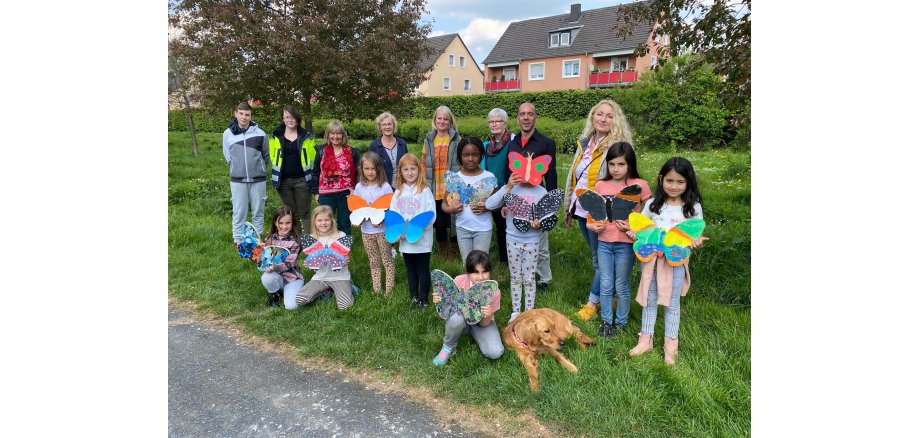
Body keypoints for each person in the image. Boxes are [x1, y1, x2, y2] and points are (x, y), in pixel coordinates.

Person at [626, 157, 708, 365]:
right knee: (649, 297)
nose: (674, 186)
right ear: (661, 179)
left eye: (680, 182)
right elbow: (641, 227)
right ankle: (646, 339)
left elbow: (694, 232)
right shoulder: (653, 205)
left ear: (688, 182)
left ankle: (671, 345)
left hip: (675, 261)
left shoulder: (692, 207)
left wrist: (695, 241)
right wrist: (634, 234)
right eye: (669, 181)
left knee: (672, 303)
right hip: (652, 259)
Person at [563, 99, 634, 321]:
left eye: (609, 116)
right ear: (592, 117)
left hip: (602, 212)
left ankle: (593, 303)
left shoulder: (617, 146)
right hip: (582, 209)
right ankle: (609, 295)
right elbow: (574, 176)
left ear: (616, 121)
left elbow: (624, 180)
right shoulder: (585, 142)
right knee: (598, 258)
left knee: (599, 259)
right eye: (599, 114)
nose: (603, 119)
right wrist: (568, 208)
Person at [585, 142, 651, 337]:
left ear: (630, 164)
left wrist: (635, 227)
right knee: (605, 284)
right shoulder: (600, 184)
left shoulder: (640, 185)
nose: (616, 169)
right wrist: (591, 225)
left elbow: (651, 214)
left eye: (621, 164)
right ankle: (606, 322)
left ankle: (621, 323)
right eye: (612, 164)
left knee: (621, 284)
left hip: (626, 244)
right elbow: (593, 213)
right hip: (604, 242)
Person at [506, 102, 556, 290]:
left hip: (538, 199)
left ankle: (544, 279)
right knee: (519, 238)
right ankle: (523, 276)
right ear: (517, 118)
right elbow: (507, 174)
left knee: (540, 242)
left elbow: (551, 175)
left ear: (536, 117)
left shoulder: (546, 143)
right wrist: (506, 200)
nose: (526, 118)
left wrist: (550, 206)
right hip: (517, 197)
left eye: (530, 114)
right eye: (522, 114)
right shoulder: (512, 144)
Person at [485, 171, 545, 322]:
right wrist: (508, 186)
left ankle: (529, 312)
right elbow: (489, 204)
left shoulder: (541, 191)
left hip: (532, 240)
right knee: (516, 277)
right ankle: (516, 311)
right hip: (512, 239)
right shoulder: (512, 189)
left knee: (529, 278)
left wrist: (539, 225)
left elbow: (547, 219)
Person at [431, 250, 504, 366]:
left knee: (495, 352)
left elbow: (484, 324)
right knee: (456, 319)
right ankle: (448, 348)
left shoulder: (493, 291)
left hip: (481, 323)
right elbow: (449, 310)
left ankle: (473, 333)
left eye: (484, 272)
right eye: (476, 272)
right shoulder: (459, 281)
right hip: (461, 318)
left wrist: (488, 315)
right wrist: (440, 301)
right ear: (467, 273)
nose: (481, 277)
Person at [389, 154, 437, 309]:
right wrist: (399, 232)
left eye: (413, 169)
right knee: (410, 269)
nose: (410, 173)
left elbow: (431, 214)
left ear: (419, 170)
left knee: (422, 269)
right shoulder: (398, 192)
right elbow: (394, 213)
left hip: (421, 239)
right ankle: (413, 296)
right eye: (406, 169)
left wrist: (419, 229)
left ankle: (423, 299)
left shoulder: (424, 191)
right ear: (401, 172)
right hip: (404, 239)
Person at [440, 137, 496, 263]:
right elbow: (444, 203)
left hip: (483, 229)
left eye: (475, 155)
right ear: (460, 156)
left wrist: (487, 207)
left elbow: (498, 203)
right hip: (462, 228)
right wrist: (450, 209)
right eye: (466, 155)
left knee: (480, 263)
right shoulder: (455, 178)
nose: (470, 159)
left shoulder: (489, 177)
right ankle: (467, 283)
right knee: (467, 262)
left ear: (481, 155)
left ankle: (481, 283)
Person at [222, 102, 269, 244]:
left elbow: (265, 156)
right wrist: (237, 168)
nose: (244, 117)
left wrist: (260, 169)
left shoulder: (260, 134)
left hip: (258, 180)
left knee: (258, 211)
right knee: (239, 211)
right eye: (241, 114)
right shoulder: (227, 134)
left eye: (247, 115)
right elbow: (227, 155)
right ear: (235, 113)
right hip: (237, 180)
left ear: (251, 116)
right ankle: (238, 241)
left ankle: (256, 240)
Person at [295, 206, 356, 310]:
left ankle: (350, 287)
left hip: (340, 277)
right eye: (319, 220)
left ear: (332, 221)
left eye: (326, 220)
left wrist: (346, 259)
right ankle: (325, 290)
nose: (323, 223)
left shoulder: (341, 236)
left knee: (345, 306)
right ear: (314, 222)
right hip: (320, 278)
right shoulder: (313, 239)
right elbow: (313, 260)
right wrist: (309, 263)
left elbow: (345, 255)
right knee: (300, 300)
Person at [268, 105, 316, 234]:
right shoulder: (275, 136)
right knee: (290, 213)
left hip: (302, 180)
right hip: (283, 181)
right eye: (287, 117)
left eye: (292, 117)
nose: (290, 120)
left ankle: (309, 243)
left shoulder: (306, 136)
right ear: (283, 119)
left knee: (305, 212)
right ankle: (296, 241)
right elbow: (273, 156)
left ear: (297, 119)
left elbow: (312, 158)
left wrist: (312, 176)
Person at [353, 151, 396, 295]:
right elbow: (357, 208)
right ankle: (376, 289)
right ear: (361, 169)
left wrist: (382, 219)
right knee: (373, 261)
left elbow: (390, 208)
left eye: (373, 168)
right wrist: (356, 220)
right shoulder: (359, 187)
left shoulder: (384, 187)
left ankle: (389, 289)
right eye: (367, 169)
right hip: (366, 232)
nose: (370, 172)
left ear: (379, 168)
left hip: (382, 231)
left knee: (387, 259)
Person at [422, 106, 461, 261]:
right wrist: (423, 182)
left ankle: (453, 250)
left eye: (445, 118)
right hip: (433, 186)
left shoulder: (457, 139)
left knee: (453, 219)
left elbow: (461, 162)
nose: (442, 121)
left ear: (450, 121)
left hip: (452, 186)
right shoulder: (429, 139)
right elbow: (424, 163)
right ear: (435, 120)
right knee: (438, 221)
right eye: (439, 118)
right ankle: (442, 249)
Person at [309, 120, 360, 236]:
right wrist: (316, 192)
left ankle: (344, 249)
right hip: (326, 194)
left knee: (344, 222)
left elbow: (359, 173)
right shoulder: (321, 151)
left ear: (343, 135)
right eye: (332, 133)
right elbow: (315, 172)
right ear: (328, 135)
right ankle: (327, 250)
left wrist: (355, 190)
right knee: (326, 223)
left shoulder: (352, 152)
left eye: (338, 133)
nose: (335, 137)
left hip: (346, 193)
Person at [481, 108, 514, 265]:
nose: (494, 124)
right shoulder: (487, 146)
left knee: (509, 227)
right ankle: (503, 260)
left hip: (509, 189)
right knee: (499, 228)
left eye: (498, 121)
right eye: (491, 121)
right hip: (492, 192)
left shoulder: (513, 143)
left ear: (505, 123)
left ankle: (511, 259)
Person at [260, 205, 304, 309]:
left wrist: (275, 267)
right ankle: (276, 294)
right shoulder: (269, 239)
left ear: (292, 223)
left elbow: (289, 263)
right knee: (266, 277)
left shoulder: (295, 241)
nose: (284, 226)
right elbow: (262, 257)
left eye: (288, 223)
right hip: (275, 276)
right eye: (281, 223)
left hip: (292, 278)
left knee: (291, 306)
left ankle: (289, 290)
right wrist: (250, 253)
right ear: (275, 223)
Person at [367, 112, 408, 186]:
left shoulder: (402, 143)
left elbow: (408, 164)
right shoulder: (374, 146)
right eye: (384, 124)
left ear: (394, 126)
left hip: (402, 185)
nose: (387, 127)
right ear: (380, 127)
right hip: (382, 186)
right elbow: (370, 167)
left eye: (389, 124)